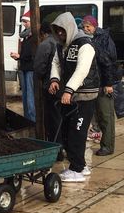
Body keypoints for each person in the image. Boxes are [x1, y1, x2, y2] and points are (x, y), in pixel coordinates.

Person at [49, 12, 99, 182]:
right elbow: (55, 63)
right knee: (67, 131)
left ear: (69, 28)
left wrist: (69, 89)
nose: (60, 34)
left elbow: (82, 70)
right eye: (57, 31)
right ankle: (80, 165)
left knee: (77, 132)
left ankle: (76, 170)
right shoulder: (60, 45)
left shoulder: (85, 45)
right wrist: (54, 79)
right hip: (69, 96)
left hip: (84, 96)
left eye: (62, 31)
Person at [82, 15, 118, 156]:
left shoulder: (102, 39)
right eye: (84, 27)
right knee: (99, 115)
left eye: (88, 26)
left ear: (94, 26)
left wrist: (108, 84)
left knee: (105, 116)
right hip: (96, 83)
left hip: (103, 83)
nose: (86, 29)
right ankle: (105, 144)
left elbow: (107, 62)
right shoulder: (92, 39)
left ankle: (107, 146)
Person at [33, 21, 60, 143]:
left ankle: (55, 145)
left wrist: (40, 78)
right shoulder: (60, 41)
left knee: (51, 118)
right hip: (62, 85)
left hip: (49, 85)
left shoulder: (45, 44)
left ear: (43, 33)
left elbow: (39, 67)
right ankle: (63, 145)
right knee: (60, 116)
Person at [10, 11, 36, 122]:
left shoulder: (34, 37)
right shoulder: (26, 37)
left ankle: (32, 121)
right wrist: (19, 57)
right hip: (25, 68)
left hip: (30, 70)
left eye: (26, 22)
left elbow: (32, 55)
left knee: (30, 98)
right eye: (23, 22)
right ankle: (27, 120)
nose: (24, 24)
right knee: (26, 98)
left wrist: (20, 56)